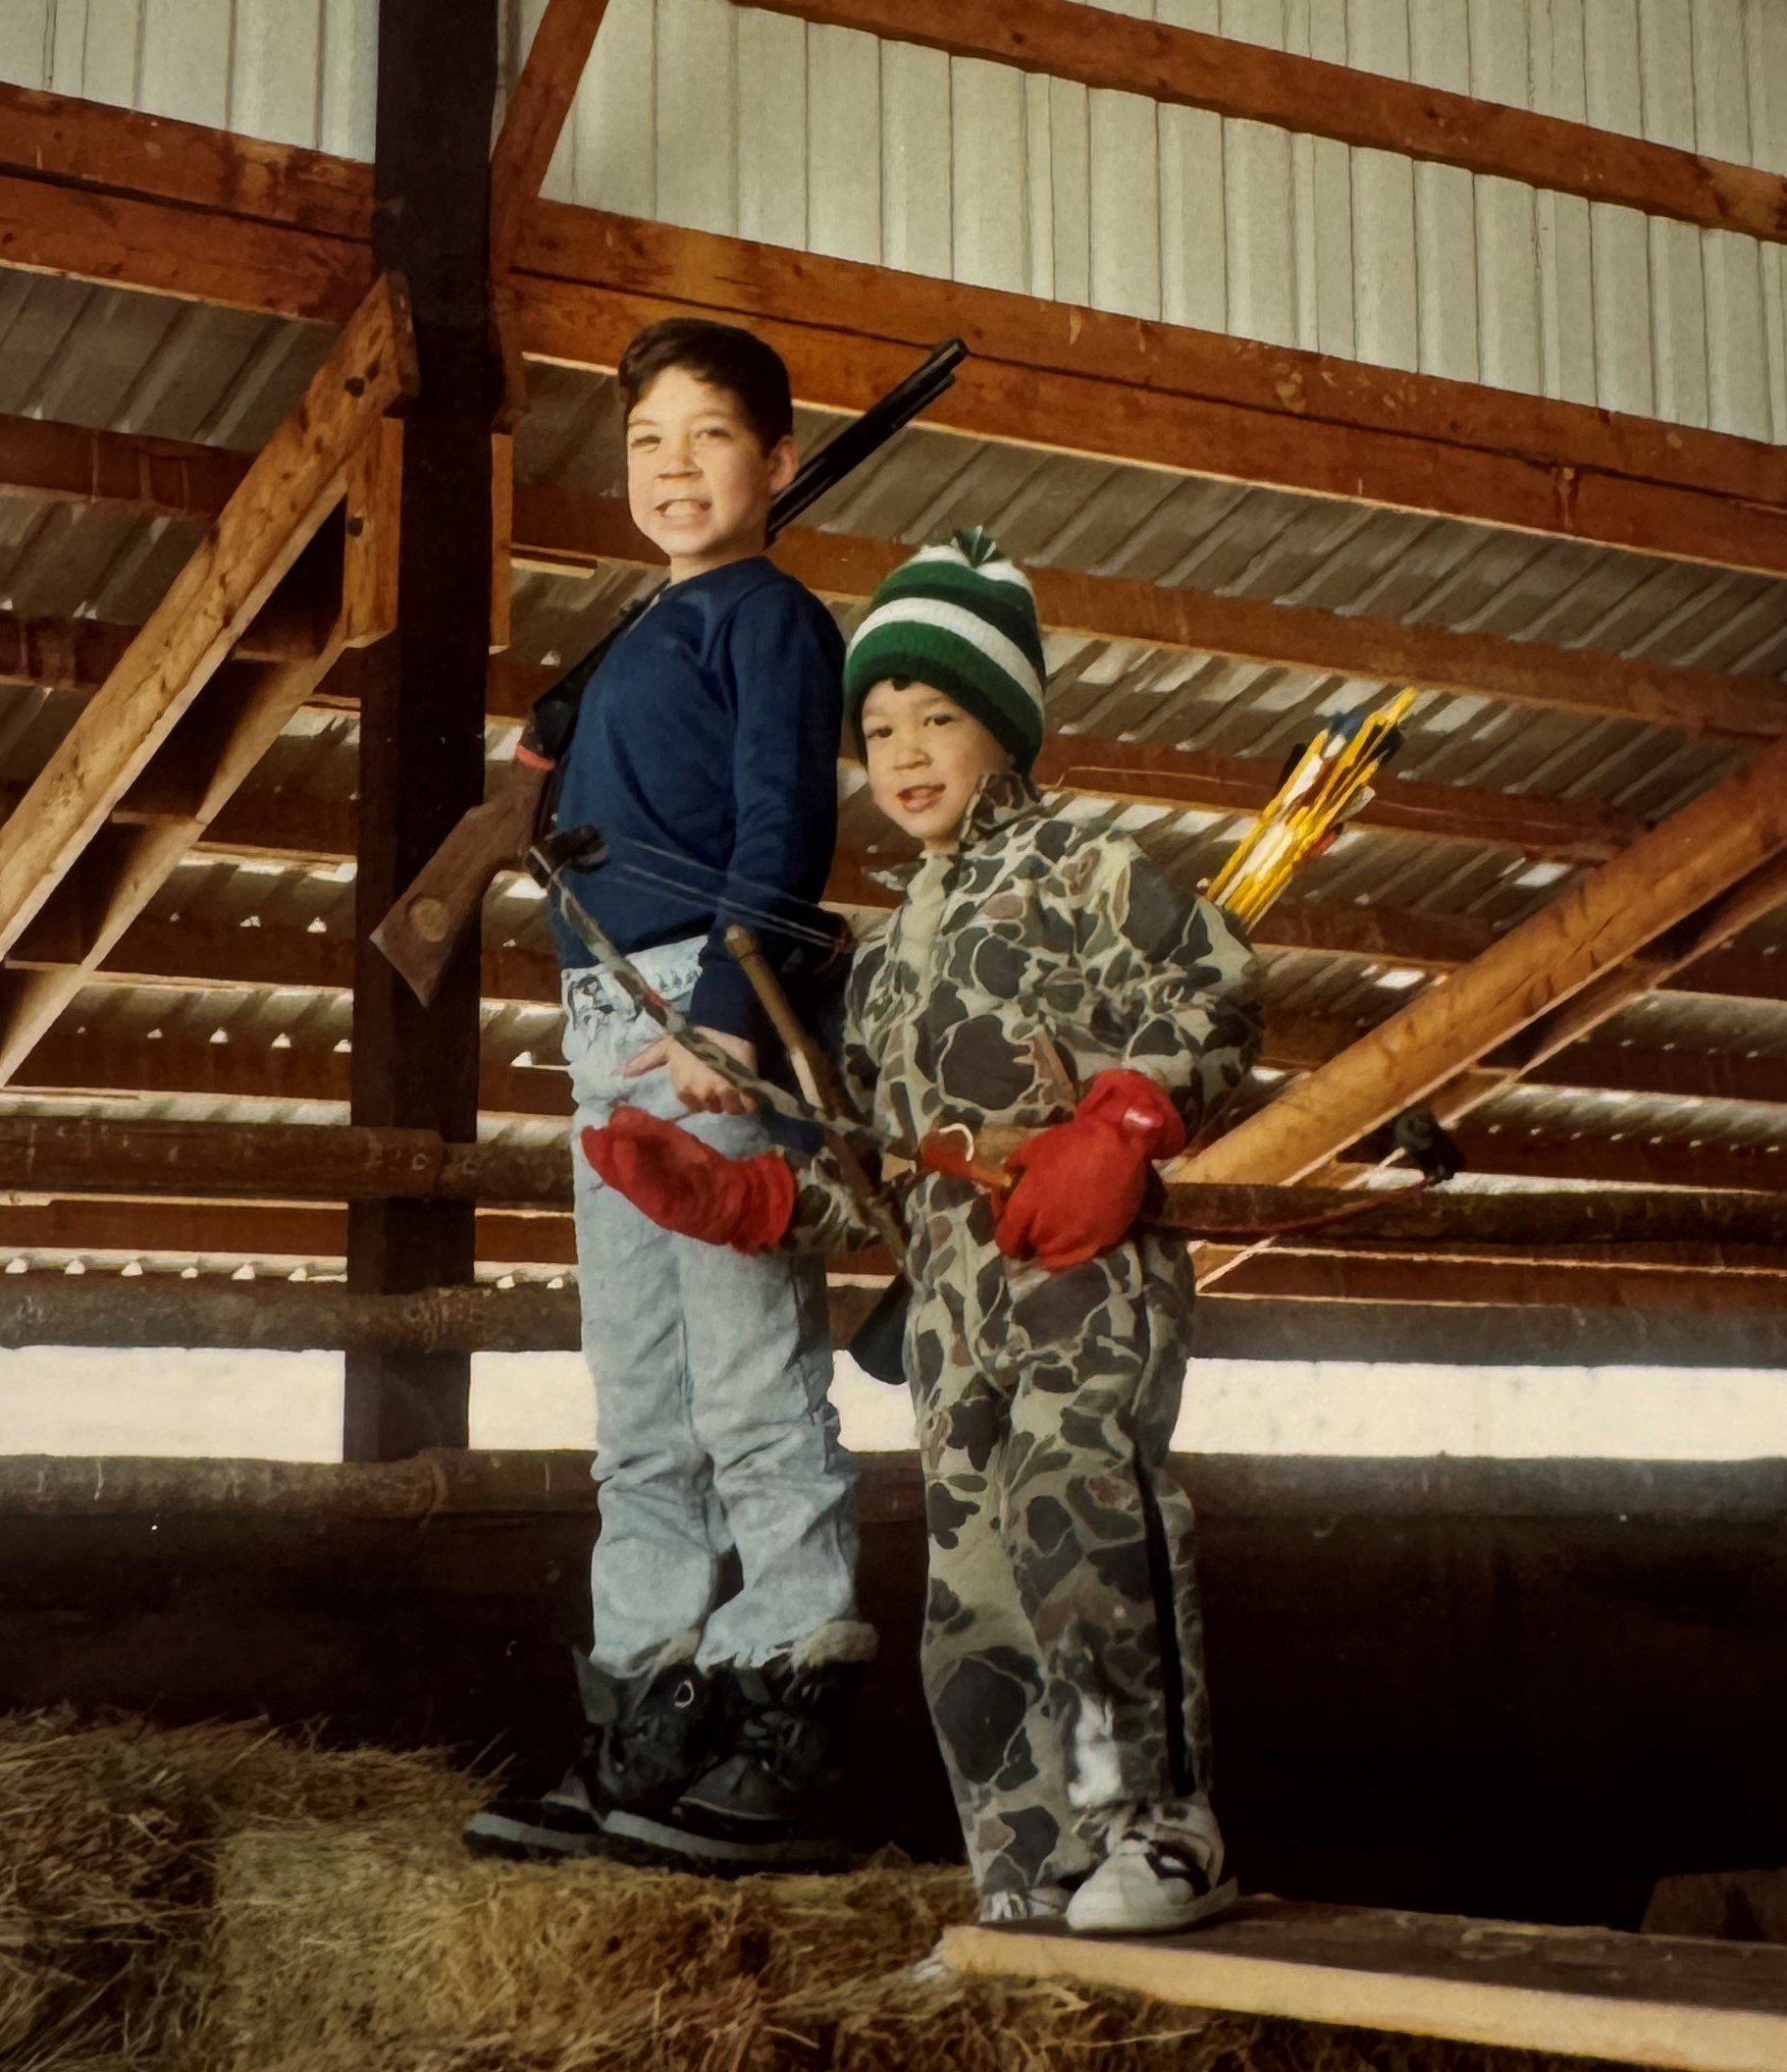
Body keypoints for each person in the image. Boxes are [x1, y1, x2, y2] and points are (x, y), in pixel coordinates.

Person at [578, 531, 1264, 1934]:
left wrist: (1122, 1128)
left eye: (939, 716)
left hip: (1080, 1281)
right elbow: (876, 1175)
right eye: (880, 726)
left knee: (1082, 1540)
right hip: (951, 1315)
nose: (903, 750)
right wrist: (746, 1201)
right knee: (975, 1603)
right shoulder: (884, 960)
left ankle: (1152, 1830)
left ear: (1003, 729)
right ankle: (1027, 1876)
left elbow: (1214, 987)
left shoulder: (1083, 865)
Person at [464, 320, 870, 1876]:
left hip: (708, 1009)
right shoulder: (642, 635)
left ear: (777, 463)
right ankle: (646, 1715)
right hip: (605, 1026)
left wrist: (727, 1021)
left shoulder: (771, 618)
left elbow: (781, 822)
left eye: (709, 435)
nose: (673, 466)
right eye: (647, 440)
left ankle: (783, 1706)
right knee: (638, 1405)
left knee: (750, 1382)